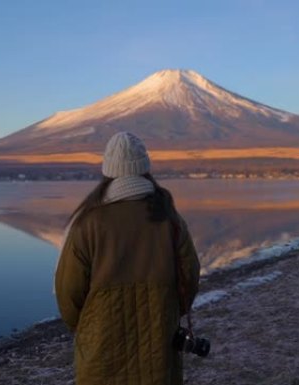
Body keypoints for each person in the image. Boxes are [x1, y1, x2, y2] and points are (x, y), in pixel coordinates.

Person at [55, 131, 201, 385]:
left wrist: (88, 326)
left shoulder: (88, 223)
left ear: (108, 170)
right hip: (160, 348)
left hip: (101, 352)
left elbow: (68, 293)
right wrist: (166, 313)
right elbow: (189, 277)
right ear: (145, 169)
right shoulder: (169, 218)